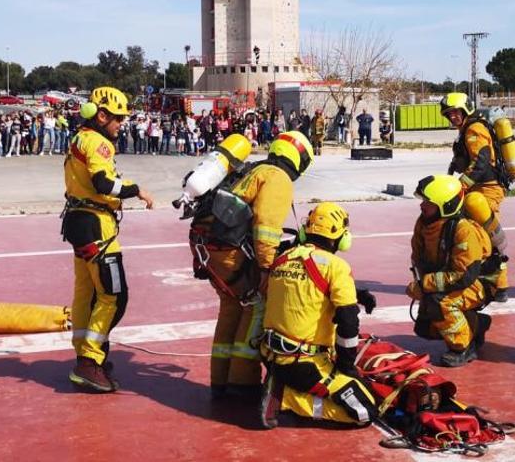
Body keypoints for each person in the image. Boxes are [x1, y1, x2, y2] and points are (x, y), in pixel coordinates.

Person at [190, 131, 314, 400]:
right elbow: (266, 229)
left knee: (232, 308)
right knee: (257, 305)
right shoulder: (277, 178)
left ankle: (220, 381)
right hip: (231, 254)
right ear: (300, 160)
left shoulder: (253, 169)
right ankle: (243, 383)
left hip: (210, 249)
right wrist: (267, 270)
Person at [62, 86, 154, 393]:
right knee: (114, 295)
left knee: (86, 293)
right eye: (117, 119)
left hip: (77, 222)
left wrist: (127, 185)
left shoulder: (80, 137)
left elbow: (97, 180)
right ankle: (89, 360)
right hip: (96, 227)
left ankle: (88, 355)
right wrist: (135, 189)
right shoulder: (100, 143)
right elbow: (103, 183)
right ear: (102, 116)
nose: (121, 124)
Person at [259, 202, 378, 428]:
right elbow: (348, 321)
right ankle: (285, 399)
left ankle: (280, 382)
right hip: (305, 363)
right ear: (341, 237)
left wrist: (357, 293)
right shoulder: (336, 266)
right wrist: (346, 365)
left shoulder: (283, 258)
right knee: (365, 411)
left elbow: (304, 289)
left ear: (306, 231)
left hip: (271, 353)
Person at [406, 175, 493, 367]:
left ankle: (463, 348)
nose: (422, 206)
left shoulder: (463, 230)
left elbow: (464, 275)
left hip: (476, 284)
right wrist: (421, 285)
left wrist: (425, 285)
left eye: (428, 203)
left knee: (439, 303)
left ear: (446, 205)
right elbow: (418, 258)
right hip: (449, 280)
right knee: (425, 328)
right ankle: (476, 324)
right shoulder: (424, 223)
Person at [440, 92, 509, 302]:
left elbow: (482, 160)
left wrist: (462, 185)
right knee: (478, 235)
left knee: (486, 236)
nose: (452, 116)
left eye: (455, 112)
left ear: (465, 109)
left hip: (486, 189)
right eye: (449, 113)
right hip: (477, 189)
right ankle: (491, 282)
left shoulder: (474, 129)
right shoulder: (465, 130)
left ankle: (500, 286)